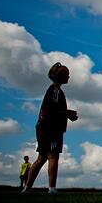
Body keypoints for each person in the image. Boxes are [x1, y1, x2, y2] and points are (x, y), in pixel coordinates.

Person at [22, 62, 78, 194]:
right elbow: (52, 111)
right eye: (67, 74)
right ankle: (52, 188)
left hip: (43, 128)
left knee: (41, 157)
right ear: (60, 76)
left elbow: (52, 109)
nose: (69, 77)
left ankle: (27, 188)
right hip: (52, 129)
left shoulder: (53, 90)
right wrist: (67, 114)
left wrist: (66, 113)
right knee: (53, 156)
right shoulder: (56, 91)